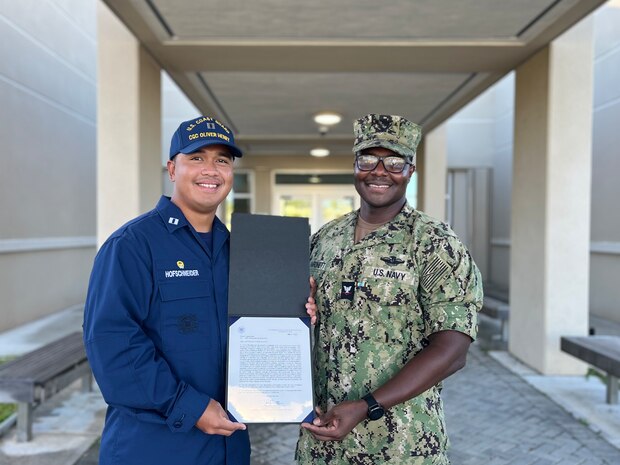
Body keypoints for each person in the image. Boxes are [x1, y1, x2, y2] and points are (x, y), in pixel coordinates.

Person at [83, 116, 316, 465]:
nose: (211, 169)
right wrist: (189, 406)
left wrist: (296, 314)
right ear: (172, 168)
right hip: (153, 447)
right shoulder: (132, 246)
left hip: (229, 448)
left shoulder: (242, 252)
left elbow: (253, 335)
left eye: (222, 160)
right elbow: (112, 345)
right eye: (197, 157)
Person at [296, 114, 483, 465]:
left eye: (394, 162)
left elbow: (453, 348)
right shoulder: (324, 239)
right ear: (355, 166)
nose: (380, 171)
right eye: (368, 159)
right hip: (322, 444)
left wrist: (367, 407)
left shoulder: (433, 242)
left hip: (400, 446)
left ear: (410, 171)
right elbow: (306, 316)